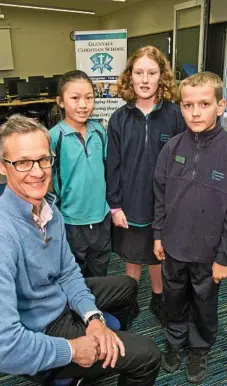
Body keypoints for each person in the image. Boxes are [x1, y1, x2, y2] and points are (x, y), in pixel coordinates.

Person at [0, 114, 161, 385]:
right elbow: (5, 347)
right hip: (42, 328)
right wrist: (72, 350)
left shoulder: (50, 210)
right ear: (3, 167)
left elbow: (67, 272)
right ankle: (84, 364)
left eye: (43, 159)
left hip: (56, 299)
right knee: (149, 356)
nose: (38, 171)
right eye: (23, 163)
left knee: (128, 286)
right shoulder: (4, 234)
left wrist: (94, 318)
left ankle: (105, 349)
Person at [153, 72, 227, 384]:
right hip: (174, 246)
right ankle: (174, 342)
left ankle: (200, 348)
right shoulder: (171, 149)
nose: (195, 112)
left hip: (209, 254)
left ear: (221, 106)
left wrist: (223, 257)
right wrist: (158, 234)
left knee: (204, 303)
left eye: (204, 104)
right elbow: (159, 195)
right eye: (187, 105)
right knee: (174, 298)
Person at [106, 46, 186, 326]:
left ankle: (157, 297)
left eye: (151, 73)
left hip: (163, 205)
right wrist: (115, 205)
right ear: (129, 77)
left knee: (157, 253)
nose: (144, 79)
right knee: (131, 255)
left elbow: (182, 164)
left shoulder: (175, 116)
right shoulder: (119, 119)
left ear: (161, 77)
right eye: (138, 72)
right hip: (129, 204)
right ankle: (127, 302)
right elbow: (112, 166)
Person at [50, 70, 111, 277]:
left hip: (101, 216)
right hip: (70, 219)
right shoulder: (53, 137)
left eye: (89, 98)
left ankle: (98, 307)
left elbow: (105, 170)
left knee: (100, 267)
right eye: (75, 98)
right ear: (60, 101)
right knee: (75, 271)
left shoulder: (100, 131)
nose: (83, 105)